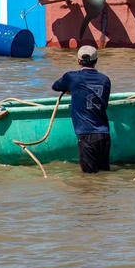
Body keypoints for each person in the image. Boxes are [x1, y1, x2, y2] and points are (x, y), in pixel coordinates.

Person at [51, 45, 112, 173]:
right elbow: (104, 104)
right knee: (104, 174)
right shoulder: (105, 80)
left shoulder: (71, 77)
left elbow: (55, 86)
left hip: (86, 135)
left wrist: (72, 89)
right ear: (96, 60)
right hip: (104, 134)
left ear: (78, 61)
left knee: (89, 179)